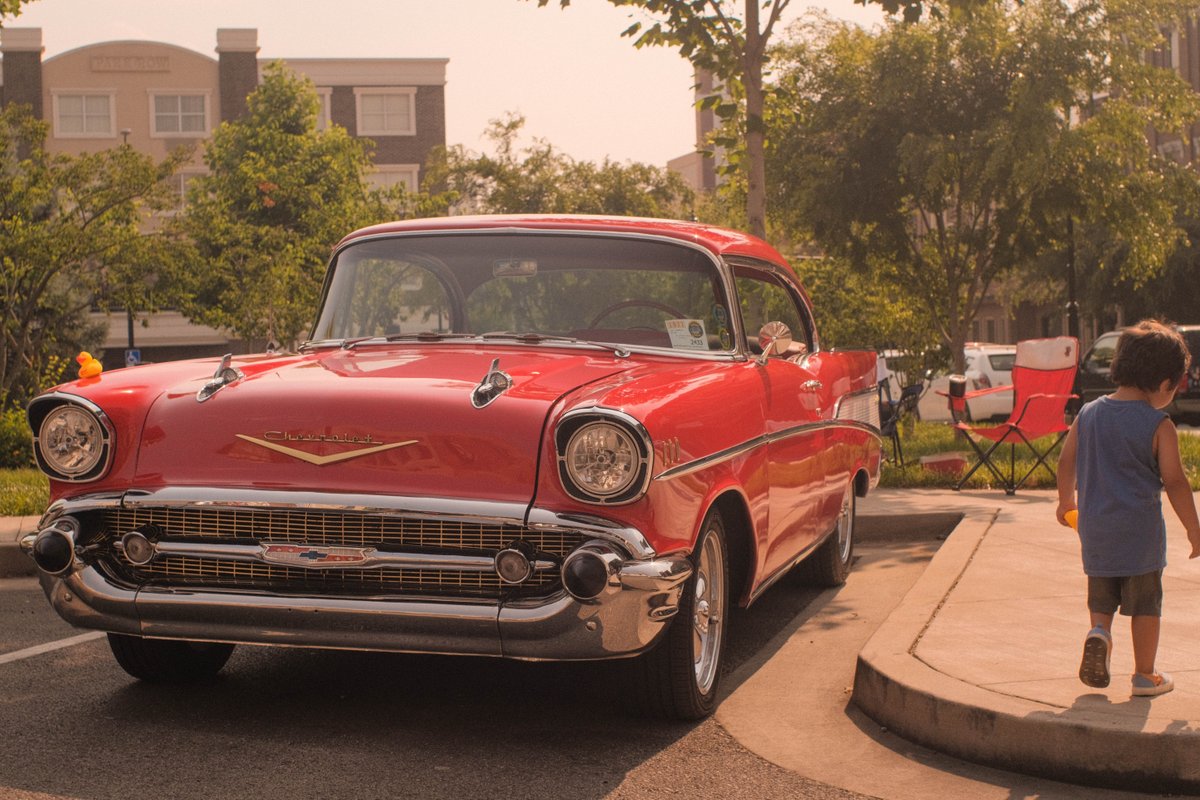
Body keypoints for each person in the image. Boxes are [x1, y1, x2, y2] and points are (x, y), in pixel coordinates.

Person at [1056, 320, 1200, 696]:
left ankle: (1099, 633)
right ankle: (1143, 674)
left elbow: (1065, 462)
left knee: (1102, 597)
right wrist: (1193, 527)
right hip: (1140, 537)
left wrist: (1065, 501)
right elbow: (1175, 482)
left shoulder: (1087, 414)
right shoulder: (1158, 424)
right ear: (1164, 383)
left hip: (1096, 531)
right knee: (1145, 605)